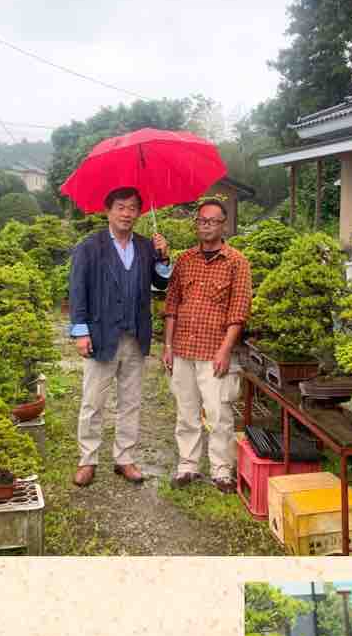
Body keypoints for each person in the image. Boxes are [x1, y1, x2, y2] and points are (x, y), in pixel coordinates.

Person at [67, 187, 171, 487]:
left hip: (135, 334)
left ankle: (124, 458)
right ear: (108, 211)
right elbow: (77, 290)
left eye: (133, 208)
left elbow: (160, 284)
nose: (127, 213)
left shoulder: (146, 246)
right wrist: (80, 331)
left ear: (139, 212)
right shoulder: (90, 246)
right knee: (93, 402)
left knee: (131, 401)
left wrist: (163, 258)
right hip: (101, 334)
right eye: (121, 207)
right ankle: (87, 459)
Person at [161, 199, 252, 493]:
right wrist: (167, 345)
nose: (206, 226)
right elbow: (172, 304)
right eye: (202, 220)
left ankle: (221, 470)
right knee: (186, 412)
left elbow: (239, 311)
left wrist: (225, 349)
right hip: (183, 349)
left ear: (224, 225)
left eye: (213, 221)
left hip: (214, 351)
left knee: (219, 414)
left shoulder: (237, 262)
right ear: (196, 224)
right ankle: (187, 466)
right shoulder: (185, 260)